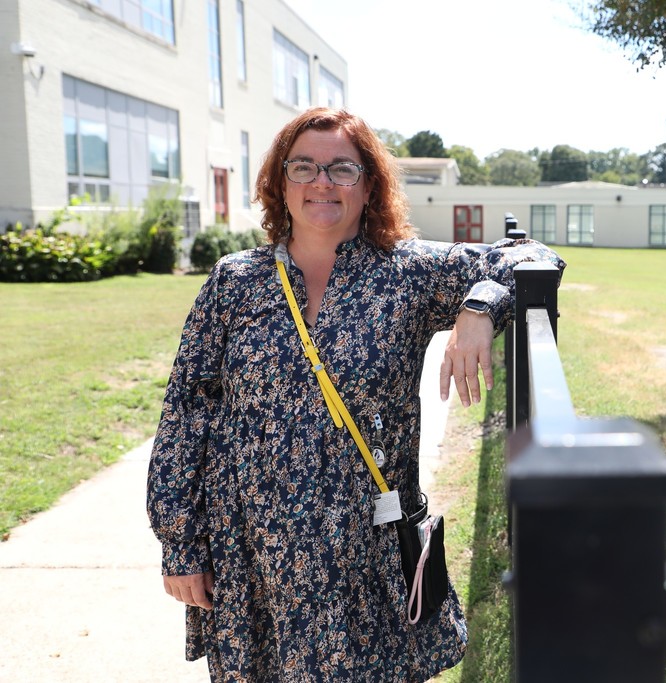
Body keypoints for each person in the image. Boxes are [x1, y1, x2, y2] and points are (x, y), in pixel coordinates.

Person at [147, 106, 565, 681]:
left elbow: (533, 258)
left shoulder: (407, 273)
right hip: (251, 555)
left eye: (342, 169)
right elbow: (186, 413)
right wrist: (180, 544)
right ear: (280, 183)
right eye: (303, 167)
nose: (322, 182)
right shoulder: (235, 282)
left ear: (369, 186)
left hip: (364, 554)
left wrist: (479, 306)